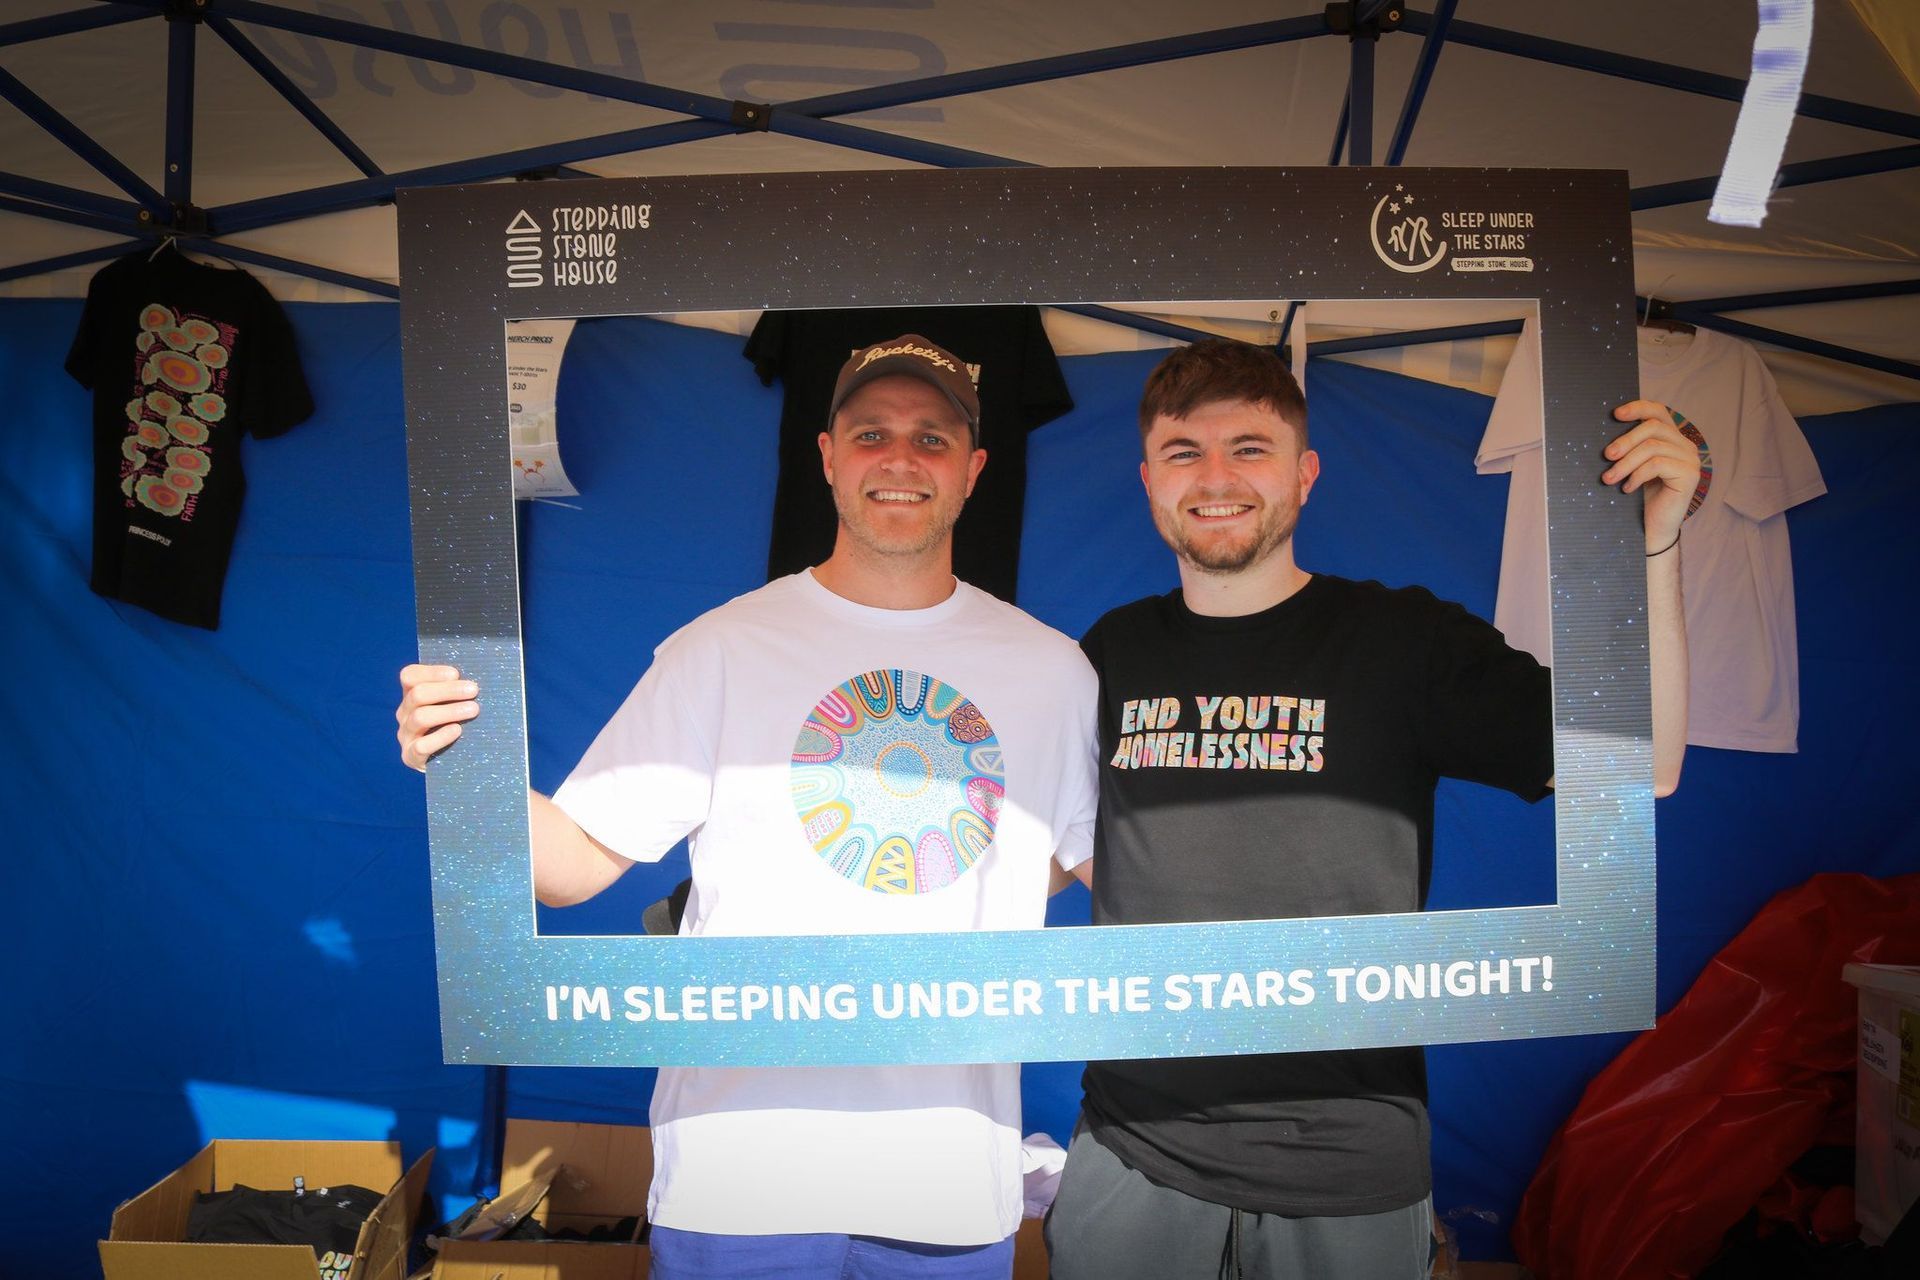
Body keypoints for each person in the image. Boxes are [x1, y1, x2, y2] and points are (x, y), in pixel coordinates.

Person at [397, 335, 1098, 1279]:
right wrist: (463, 766)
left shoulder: (1053, 672)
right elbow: (569, 869)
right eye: (872, 433)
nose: (900, 458)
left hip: (948, 1181)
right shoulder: (722, 649)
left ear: (974, 470)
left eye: (932, 438)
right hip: (740, 1175)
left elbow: (1104, 870)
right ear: (827, 457)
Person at [1044, 339, 1695, 1280]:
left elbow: (1645, 765)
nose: (1216, 478)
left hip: (1347, 1157)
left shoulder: (1405, 641)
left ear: (1304, 474)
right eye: (1184, 453)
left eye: (1250, 449)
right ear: (1150, 480)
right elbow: (1060, 847)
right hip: (1133, 1144)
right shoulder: (1111, 651)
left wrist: (1658, 540)